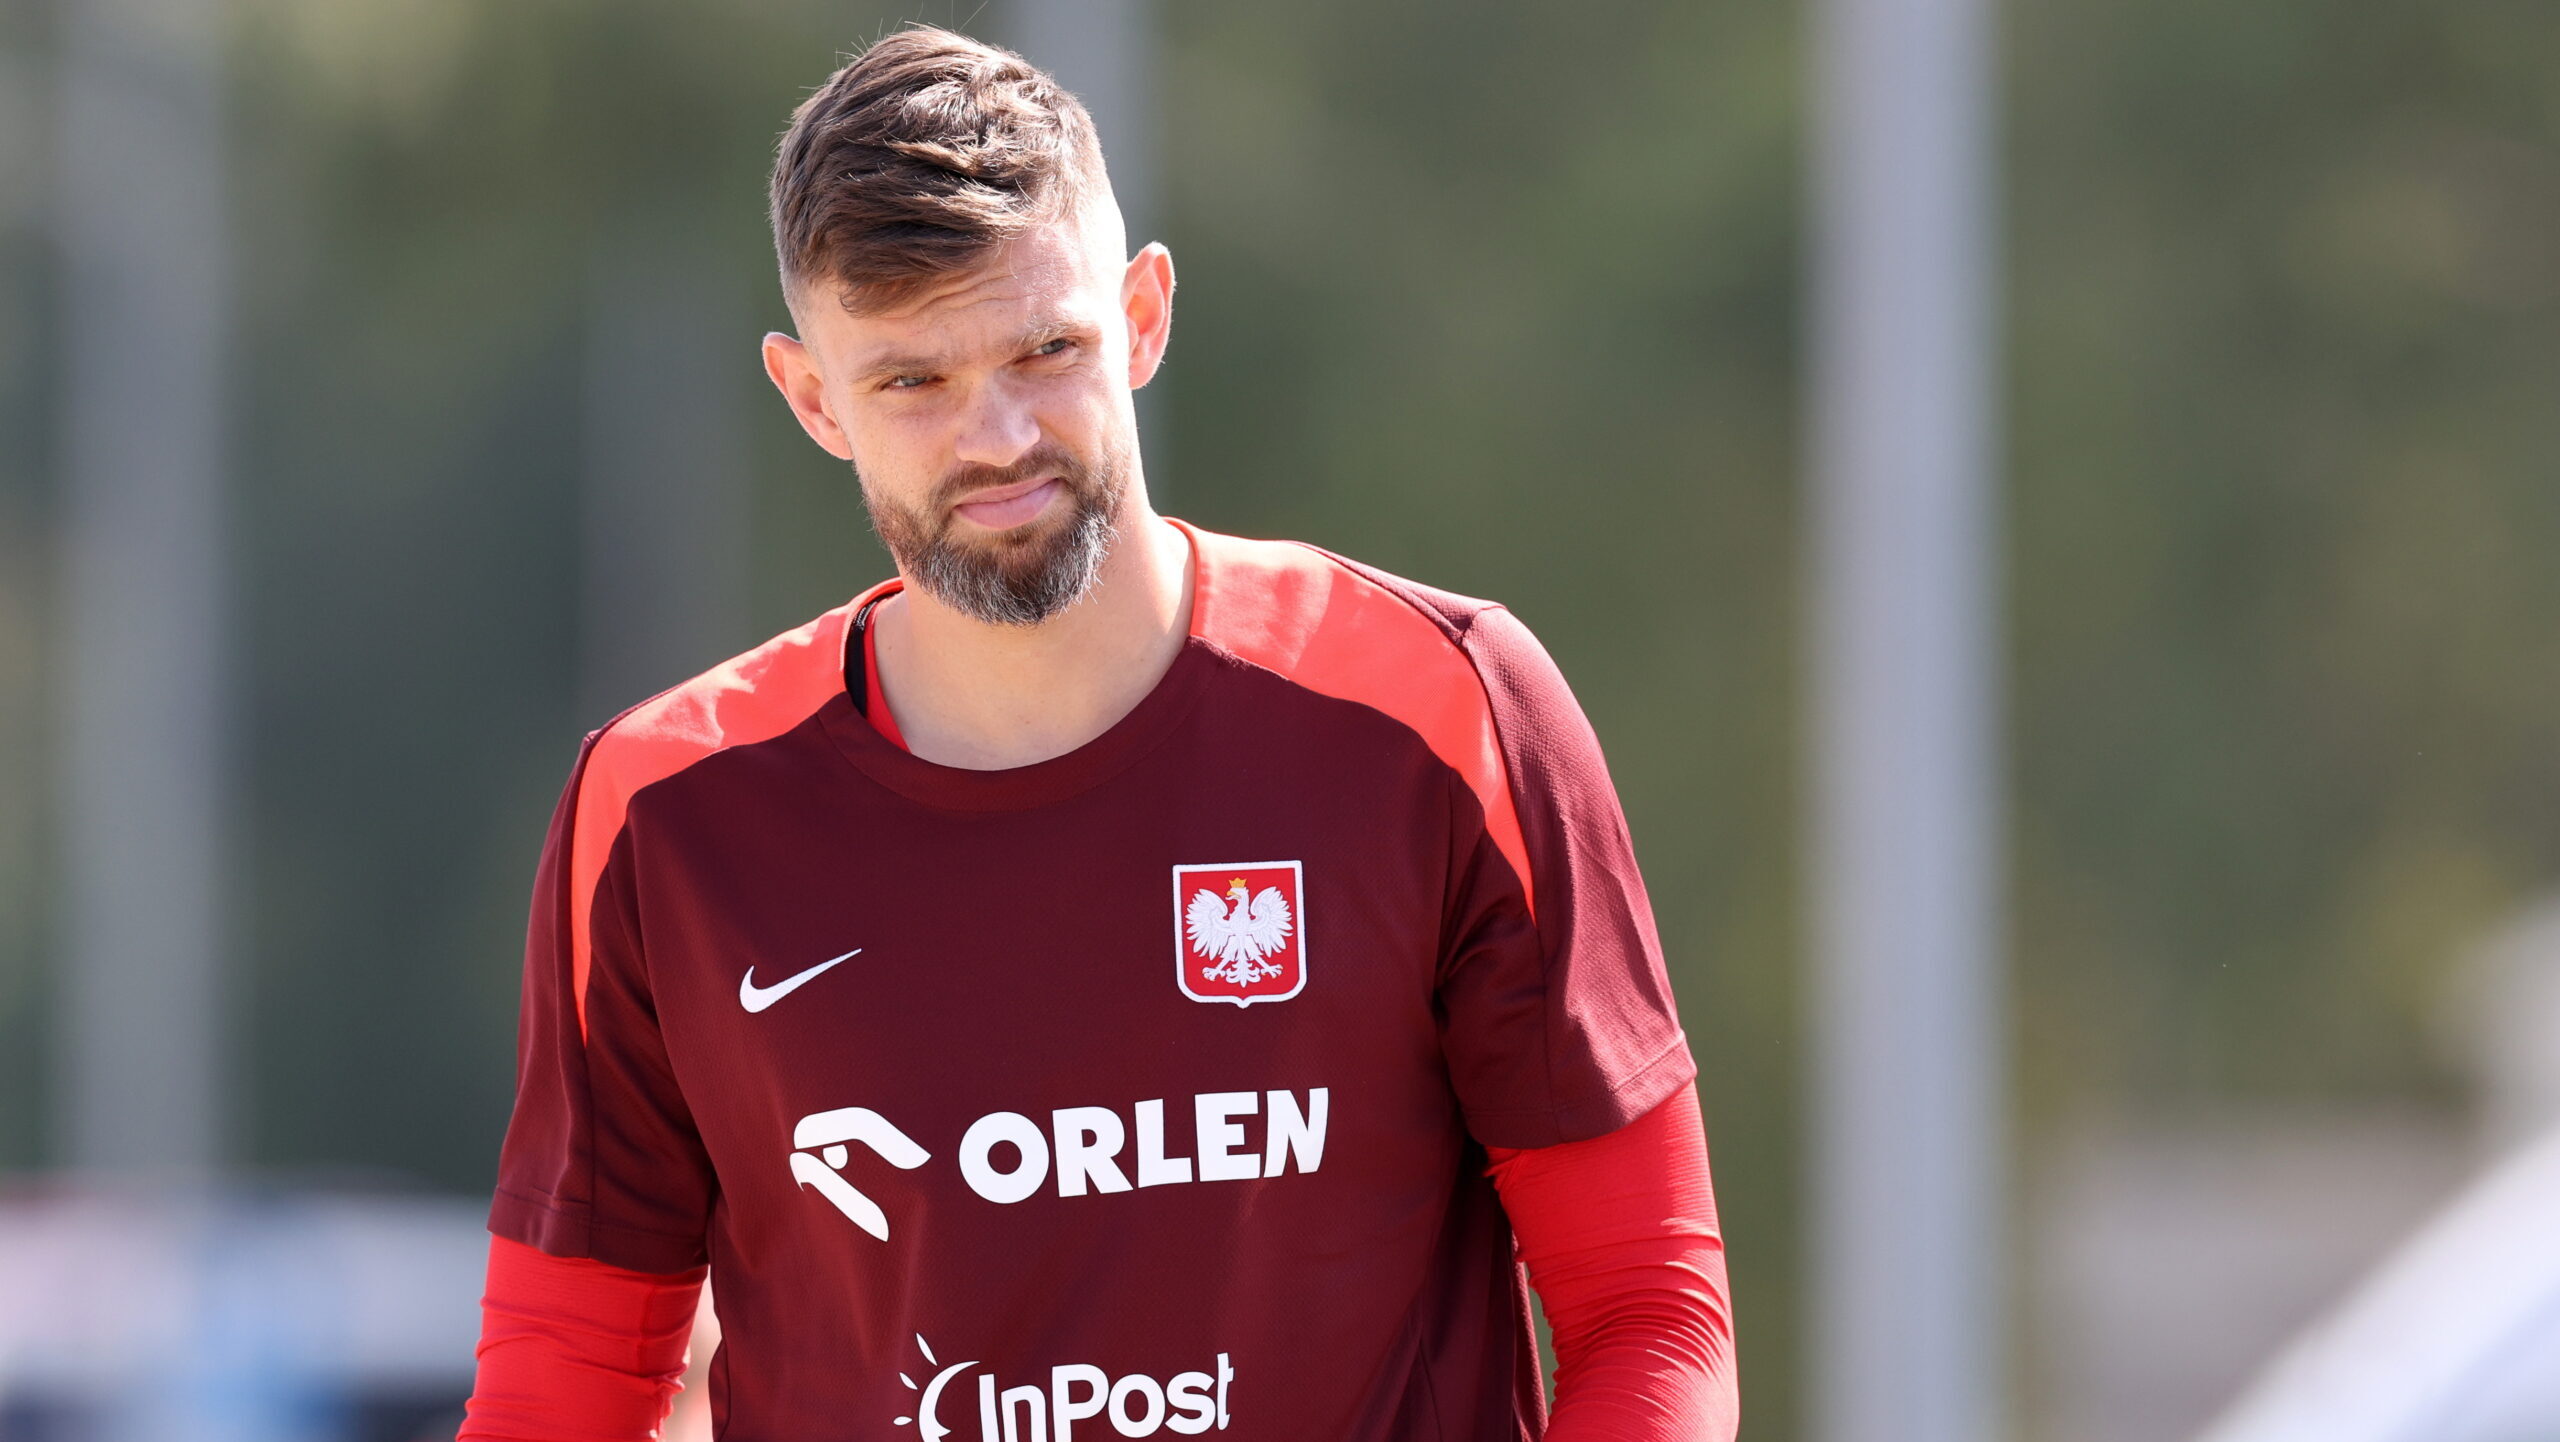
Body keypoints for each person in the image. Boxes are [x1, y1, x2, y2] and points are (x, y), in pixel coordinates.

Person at [458, 25, 1735, 1442]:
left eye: (1043, 348)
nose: (996, 434)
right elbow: (561, 1383)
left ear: (1140, 316)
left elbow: (1647, 1307)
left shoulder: (1443, 708)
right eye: (912, 383)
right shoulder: (661, 810)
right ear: (814, 398)